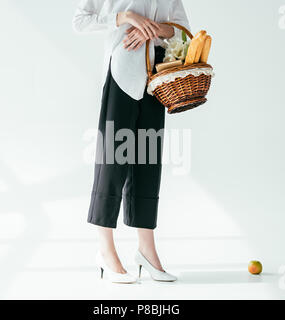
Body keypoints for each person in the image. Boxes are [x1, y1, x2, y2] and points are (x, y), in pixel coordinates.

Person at [73, 0, 190, 284]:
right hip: (121, 75)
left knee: (148, 165)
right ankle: (105, 250)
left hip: (156, 80)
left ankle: (146, 251)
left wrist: (157, 30)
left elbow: (185, 33)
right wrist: (124, 17)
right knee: (112, 161)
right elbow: (80, 21)